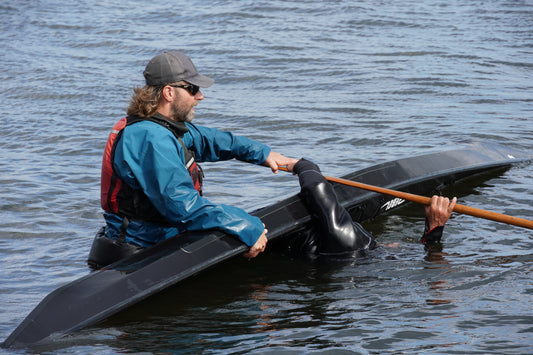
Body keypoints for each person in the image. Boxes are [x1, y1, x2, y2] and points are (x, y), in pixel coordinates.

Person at [88, 51, 298, 269]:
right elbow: (183, 206)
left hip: (162, 235)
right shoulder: (150, 138)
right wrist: (243, 224)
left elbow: (212, 140)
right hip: (140, 249)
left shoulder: (161, 125)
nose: (200, 96)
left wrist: (265, 155)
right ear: (169, 92)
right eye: (192, 89)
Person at [283, 158, 457, 259]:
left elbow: (319, 193)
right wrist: (434, 228)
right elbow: (319, 195)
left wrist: (305, 167)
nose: (395, 244)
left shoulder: (347, 241)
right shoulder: (351, 243)